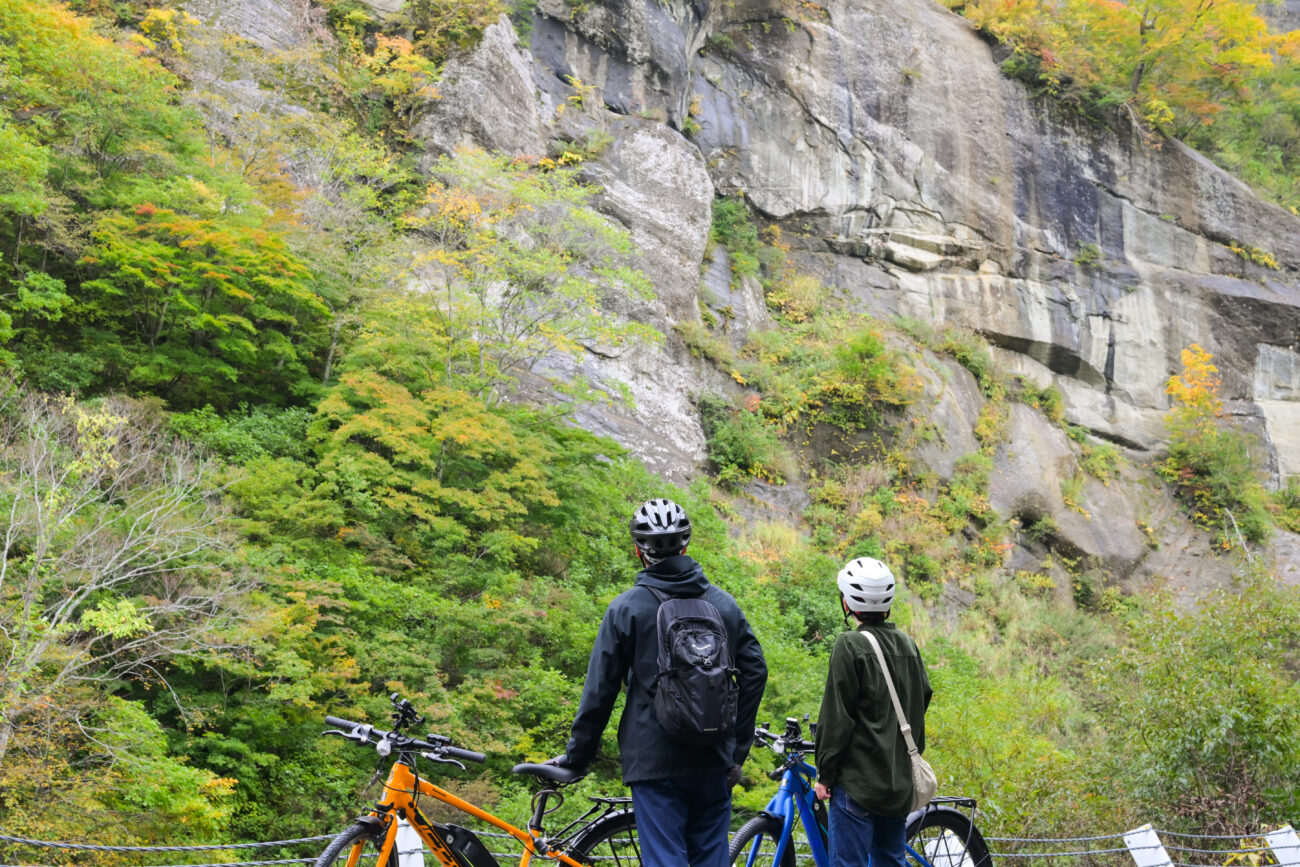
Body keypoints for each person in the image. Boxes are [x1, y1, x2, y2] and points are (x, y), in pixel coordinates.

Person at [554, 498, 768, 867]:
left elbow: (600, 691)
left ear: (639, 550)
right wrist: (735, 751)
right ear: (686, 545)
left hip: (654, 762)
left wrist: (578, 758)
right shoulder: (724, 605)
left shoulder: (627, 608)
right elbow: (755, 672)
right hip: (714, 758)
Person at [813, 557, 932, 867]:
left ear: (847, 603)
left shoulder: (849, 646)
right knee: (891, 861)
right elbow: (923, 698)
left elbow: (836, 718)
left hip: (858, 785)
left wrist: (825, 774)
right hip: (897, 784)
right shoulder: (908, 644)